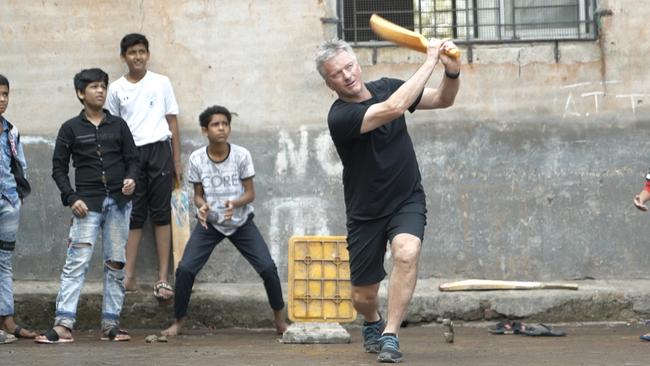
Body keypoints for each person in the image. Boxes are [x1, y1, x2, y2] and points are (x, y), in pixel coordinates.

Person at [315, 39, 460, 363]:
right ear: (329, 84)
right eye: (337, 74)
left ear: (358, 64)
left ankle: (390, 334)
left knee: (407, 252)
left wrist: (451, 72)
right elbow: (393, 108)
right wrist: (430, 60)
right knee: (362, 297)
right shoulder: (341, 116)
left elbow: (442, 100)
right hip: (366, 211)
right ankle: (372, 322)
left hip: (406, 196)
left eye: (349, 66)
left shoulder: (389, 87)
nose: (348, 76)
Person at [161, 105, 287, 337]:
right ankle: (178, 322)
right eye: (215, 124)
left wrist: (235, 204)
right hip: (211, 224)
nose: (221, 128)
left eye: (225, 124)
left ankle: (280, 321)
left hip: (241, 223)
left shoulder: (241, 155)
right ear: (204, 130)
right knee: (186, 269)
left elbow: (251, 194)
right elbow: (198, 195)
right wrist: (202, 206)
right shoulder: (198, 159)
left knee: (268, 268)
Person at [35, 68, 139, 344]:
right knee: (76, 263)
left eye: (103, 86)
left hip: (119, 203)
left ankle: (111, 325)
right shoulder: (70, 128)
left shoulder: (118, 125)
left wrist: (131, 179)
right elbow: (58, 168)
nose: (100, 91)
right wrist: (71, 197)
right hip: (86, 205)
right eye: (94, 87)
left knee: (116, 263)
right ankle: (63, 325)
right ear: (81, 93)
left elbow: (133, 159)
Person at [106, 33, 182, 301]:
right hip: (131, 156)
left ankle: (163, 278)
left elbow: (172, 122)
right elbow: (113, 129)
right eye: (131, 53)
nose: (137, 57)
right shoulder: (115, 89)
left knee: (161, 214)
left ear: (147, 54)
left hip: (159, 150)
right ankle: (128, 276)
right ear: (123, 57)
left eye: (141, 51)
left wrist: (176, 161)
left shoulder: (161, 83)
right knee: (134, 214)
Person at [0, 74, 38, 343]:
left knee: (4, 261)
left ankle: (7, 320)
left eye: (5, 94)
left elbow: (19, 164)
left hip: (8, 201)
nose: (2, 100)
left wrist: (19, 195)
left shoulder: (11, 130)